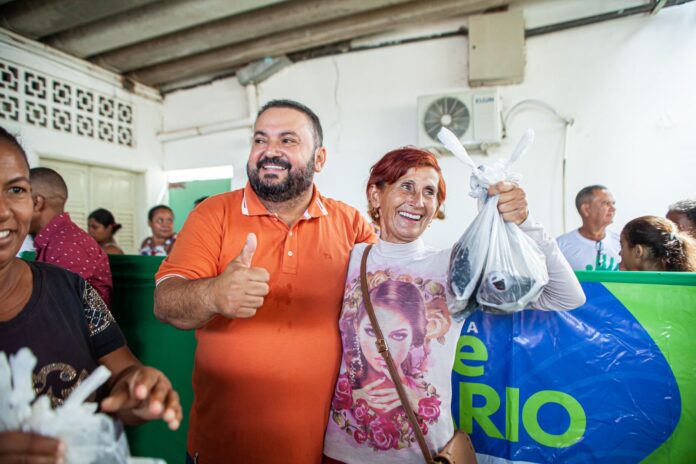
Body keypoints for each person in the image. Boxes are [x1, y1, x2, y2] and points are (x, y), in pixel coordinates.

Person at [322, 147, 585, 463]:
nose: (418, 201)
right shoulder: (348, 261)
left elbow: (566, 296)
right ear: (376, 195)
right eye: (406, 186)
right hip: (341, 454)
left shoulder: (452, 265)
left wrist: (524, 222)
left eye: (429, 192)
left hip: (426, 454)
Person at [153, 99, 377, 463]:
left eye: (287, 140)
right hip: (222, 449)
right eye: (260, 140)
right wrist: (214, 294)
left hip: (322, 451)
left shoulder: (350, 224)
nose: (269, 151)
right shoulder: (212, 213)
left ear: (319, 158)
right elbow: (165, 303)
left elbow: (389, 295)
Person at [0, 126, 182, 463]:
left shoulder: (72, 288)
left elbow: (122, 376)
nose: (3, 210)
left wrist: (138, 389)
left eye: (15, 189)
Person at [29, 167, 114, 306]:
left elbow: (58, 312)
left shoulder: (67, 245)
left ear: (36, 203)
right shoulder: (54, 241)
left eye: (17, 198)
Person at [557, 185, 621, 271]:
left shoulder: (622, 244)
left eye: (613, 204)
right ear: (586, 209)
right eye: (606, 203)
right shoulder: (560, 246)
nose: (613, 209)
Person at [619, 216, 696, 272]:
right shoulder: (687, 284)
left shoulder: (624, 287)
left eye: (622, 246)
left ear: (638, 251)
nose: (620, 253)